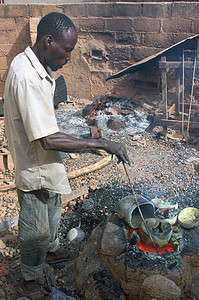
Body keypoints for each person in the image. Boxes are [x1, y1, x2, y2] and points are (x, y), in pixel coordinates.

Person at [3, 12, 130, 299]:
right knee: (35, 225)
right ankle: (30, 280)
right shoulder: (27, 77)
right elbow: (48, 139)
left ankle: (49, 252)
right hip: (34, 164)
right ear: (49, 41)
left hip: (43, 163)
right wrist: (102, 144)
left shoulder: (34, 65)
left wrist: (90, 142)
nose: (69, 57)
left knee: (51, 208)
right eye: (68, 49)